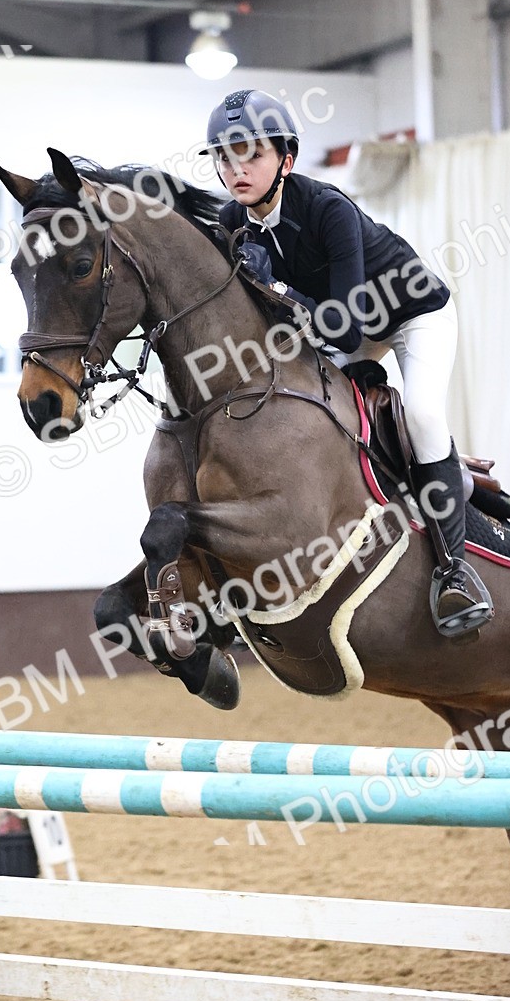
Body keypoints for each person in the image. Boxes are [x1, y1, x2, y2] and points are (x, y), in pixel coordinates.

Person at [200, 87, 493, 638]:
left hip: (411, 315)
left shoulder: (326, 208)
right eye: (223, 155)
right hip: (340, 326)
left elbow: (346, 328)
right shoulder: (230, 222)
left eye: (251, 154)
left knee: (424, 416)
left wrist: (276, 287)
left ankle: (455, 571)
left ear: (286, 160)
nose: (235, 168)